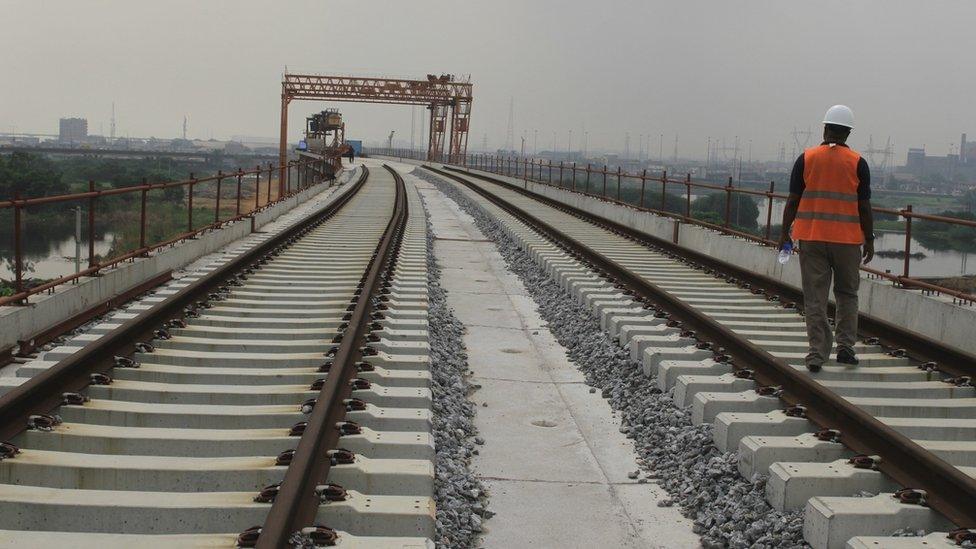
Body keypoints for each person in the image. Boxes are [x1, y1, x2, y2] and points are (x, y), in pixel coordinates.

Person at [777, 105, 875, 372]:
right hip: (847, 241)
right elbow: (864, 206)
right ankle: (845, 348)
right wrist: (870, 238)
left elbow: (793, 200)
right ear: (848, 132)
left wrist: (784, 232)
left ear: (825, 128)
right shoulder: (858, 163)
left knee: (815, 297)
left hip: (811, 238)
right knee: (847, 294)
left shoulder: (806, 158)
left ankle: (816, 354)